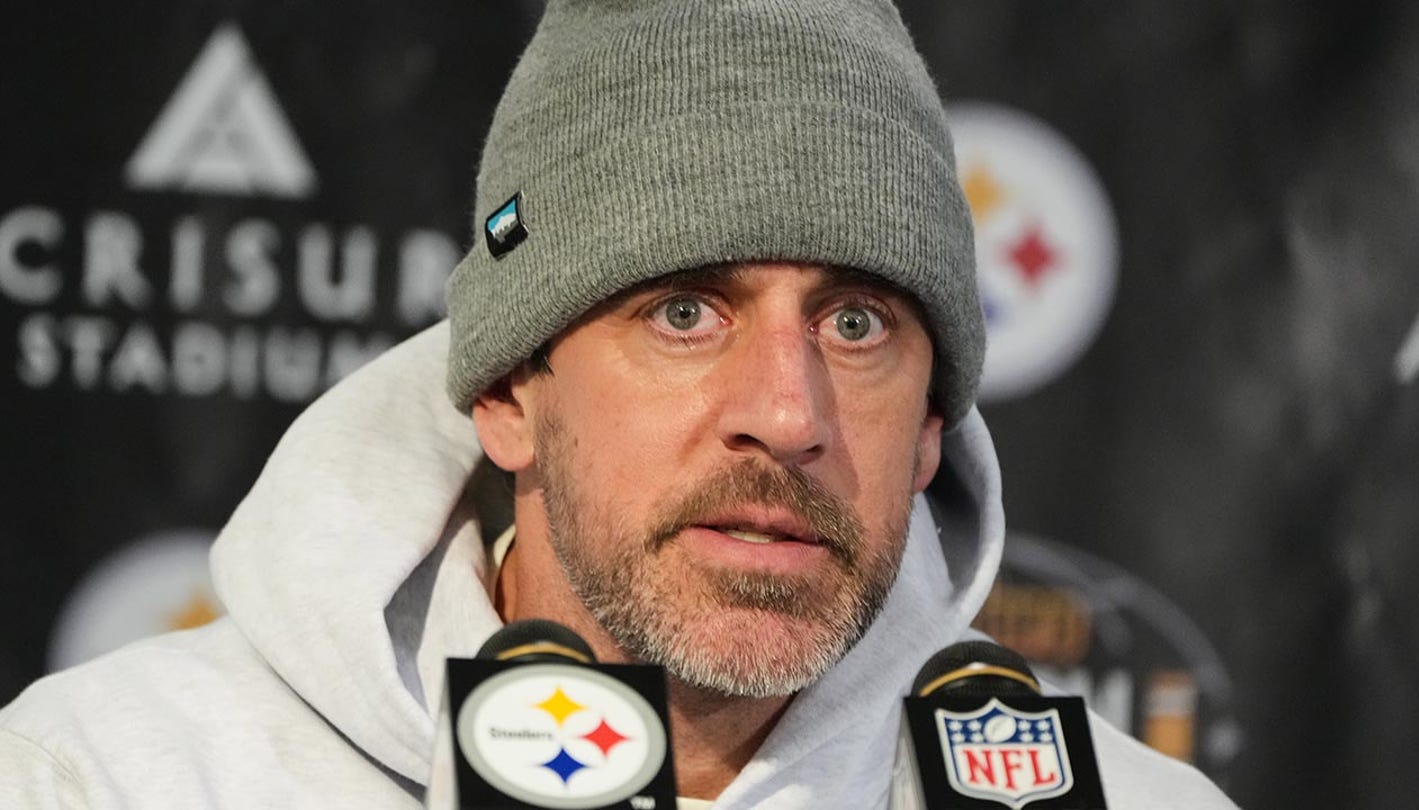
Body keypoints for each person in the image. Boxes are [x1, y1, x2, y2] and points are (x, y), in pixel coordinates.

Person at [0, 1, 1238, 807]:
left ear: (931, 430)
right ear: (505, 391)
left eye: (856, 323)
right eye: (685, 312)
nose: (786, 413)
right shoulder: (113, 777)